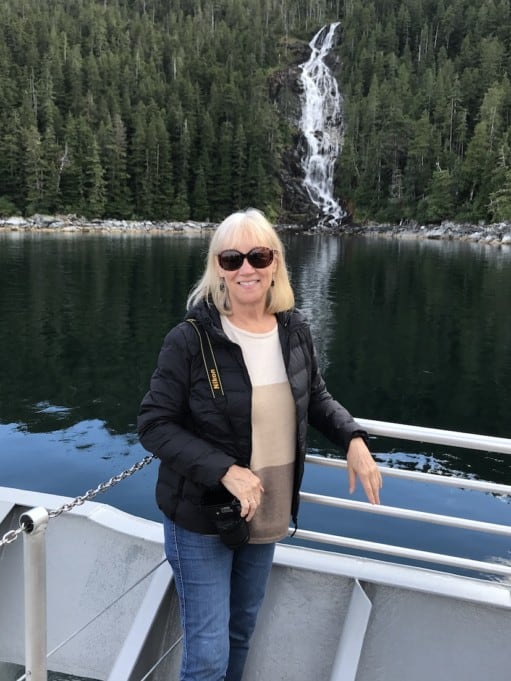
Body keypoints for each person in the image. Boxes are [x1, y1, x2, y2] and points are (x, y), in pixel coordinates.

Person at [137, 208, 382, 681]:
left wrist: (352, 437)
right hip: (201, 517)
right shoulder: (189, 340)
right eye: (232, 258)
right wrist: (224, 469)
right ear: (218, 269)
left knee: (241, 632)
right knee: (207, 655)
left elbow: (316, 397)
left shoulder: (294, 330)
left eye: (258, 255)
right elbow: (153, 423)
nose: (246, 268)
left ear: (275, 264)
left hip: (266, 513)